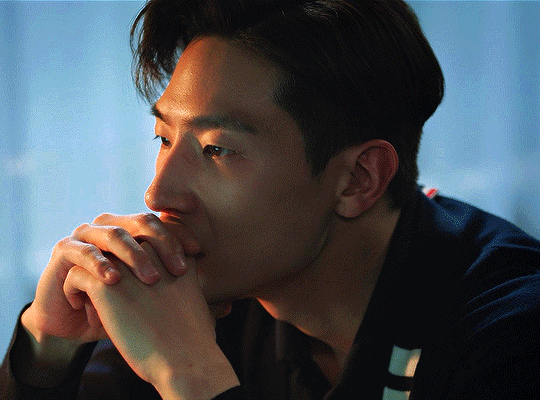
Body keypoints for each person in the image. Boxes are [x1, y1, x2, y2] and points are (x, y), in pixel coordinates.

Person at [1, 0, 539, 398]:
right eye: (164, 138)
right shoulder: (202, 295)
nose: (158, 193)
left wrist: (191, 376)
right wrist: (49, 350)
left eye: (217, 149)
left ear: (358, 180)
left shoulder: (513, 337)